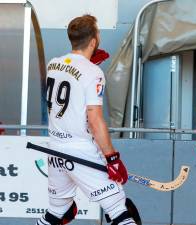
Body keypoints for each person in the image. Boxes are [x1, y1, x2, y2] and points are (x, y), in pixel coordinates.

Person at [37, 15, 138, 225]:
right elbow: (94, 119)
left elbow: (71, 80)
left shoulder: (53, 64)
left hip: (55, 148)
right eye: (98, 32)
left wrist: (87, 63)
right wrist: (112, 158)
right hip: (79, 148)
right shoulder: (94, 72)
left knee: (57, 212)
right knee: (118, 207)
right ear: (93, 40)